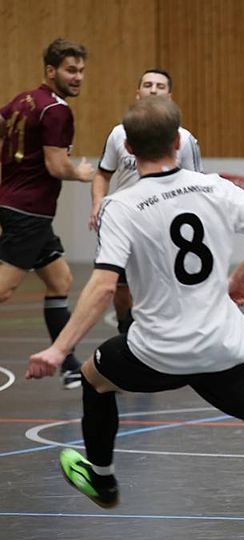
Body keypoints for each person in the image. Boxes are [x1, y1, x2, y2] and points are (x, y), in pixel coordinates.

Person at [25, 97, 244, 540]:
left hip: (158, 352)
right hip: (225, 346)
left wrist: (58, 348)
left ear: (129, 150)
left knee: (93, 377)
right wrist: (238, 279)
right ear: (178, 142)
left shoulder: (121, 206)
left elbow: (103, 287)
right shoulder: (216, 188)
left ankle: (102, 479)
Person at [0, 38, 95, 389]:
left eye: (81, 70)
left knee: (60, 282)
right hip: (29, 211)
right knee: (3, 290)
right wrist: (81, 173)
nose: (78, 77)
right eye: (71, 70)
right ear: (51, 71)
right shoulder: (56, 111)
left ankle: (69, 365)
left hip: (17, 205)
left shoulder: (23, 100)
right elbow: (57, 166)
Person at [89, 68, 203, 334]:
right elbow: (103, 174)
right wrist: (98, 203)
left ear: (169, 96)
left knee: (162, 286)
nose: (153, 89)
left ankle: (164, 338)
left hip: (164, 225)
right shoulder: (119, 134)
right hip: (126, 222)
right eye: (148, 84)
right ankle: (126, 334)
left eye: (160, 86)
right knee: (119, 289)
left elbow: (196, 185)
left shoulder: (184, 139)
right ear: (138, 93)